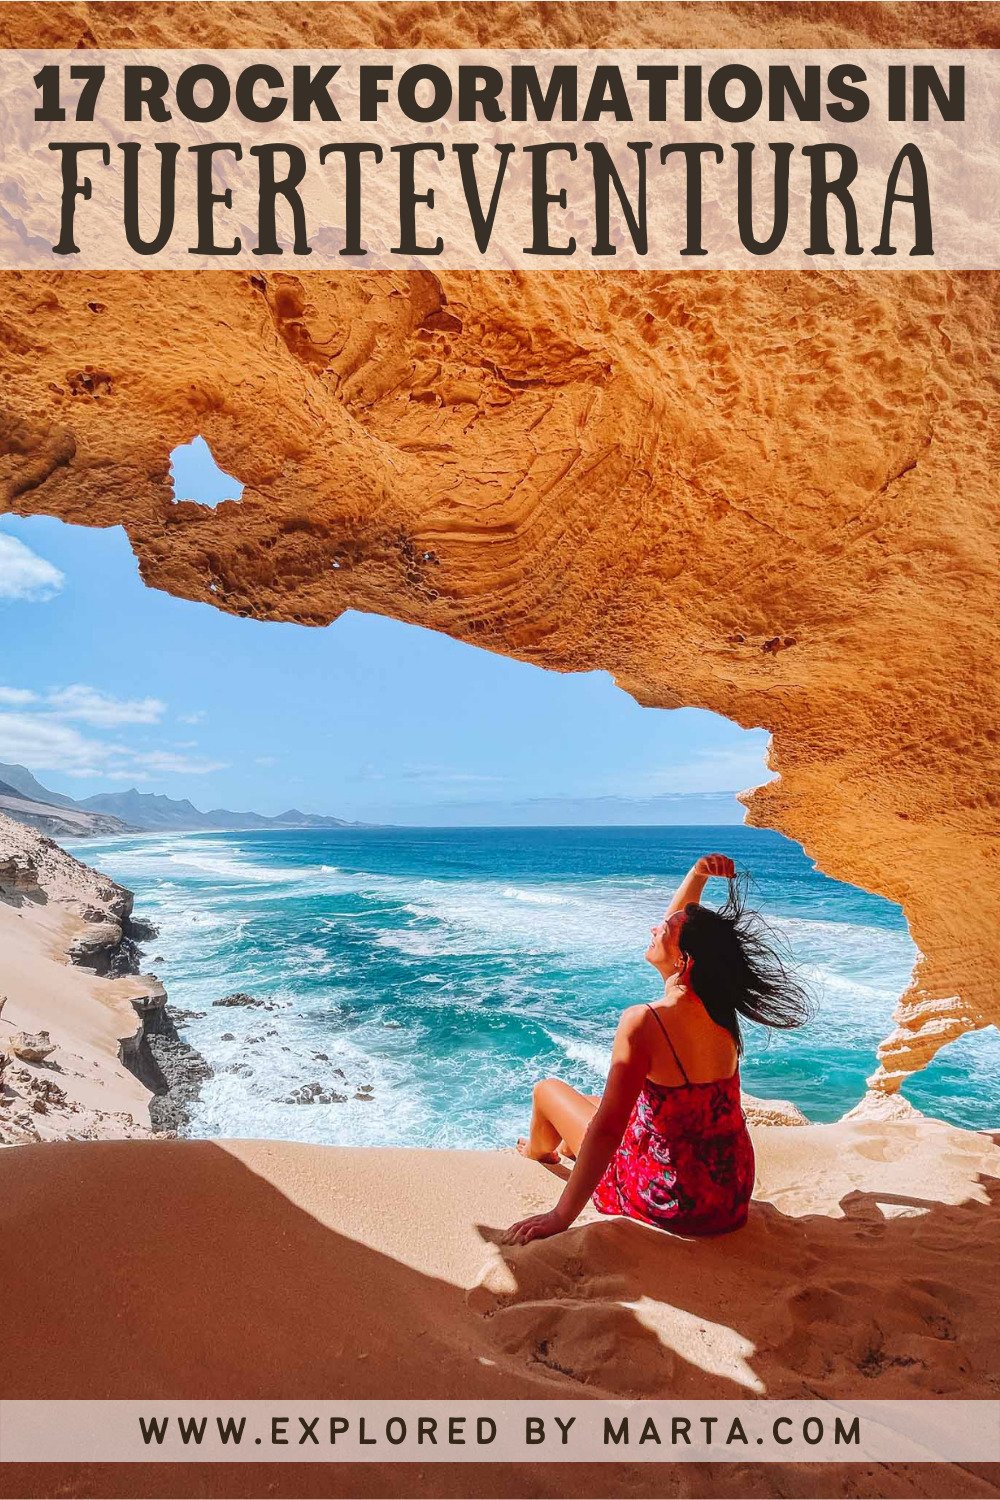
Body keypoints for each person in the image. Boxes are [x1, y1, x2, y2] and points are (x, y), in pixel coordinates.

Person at [504, 854, 810, 1246]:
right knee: (598, 1100)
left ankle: (537, 1152)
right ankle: (562, 1144)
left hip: (672, 1197)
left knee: (547, 1091)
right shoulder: (719, 1001)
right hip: (728, 1194)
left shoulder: (644, 1021)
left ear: (683, 961)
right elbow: (683, 928)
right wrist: (697, 875)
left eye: (662, 929)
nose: (654, 927)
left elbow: (609, 1129)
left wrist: (560, 1216)